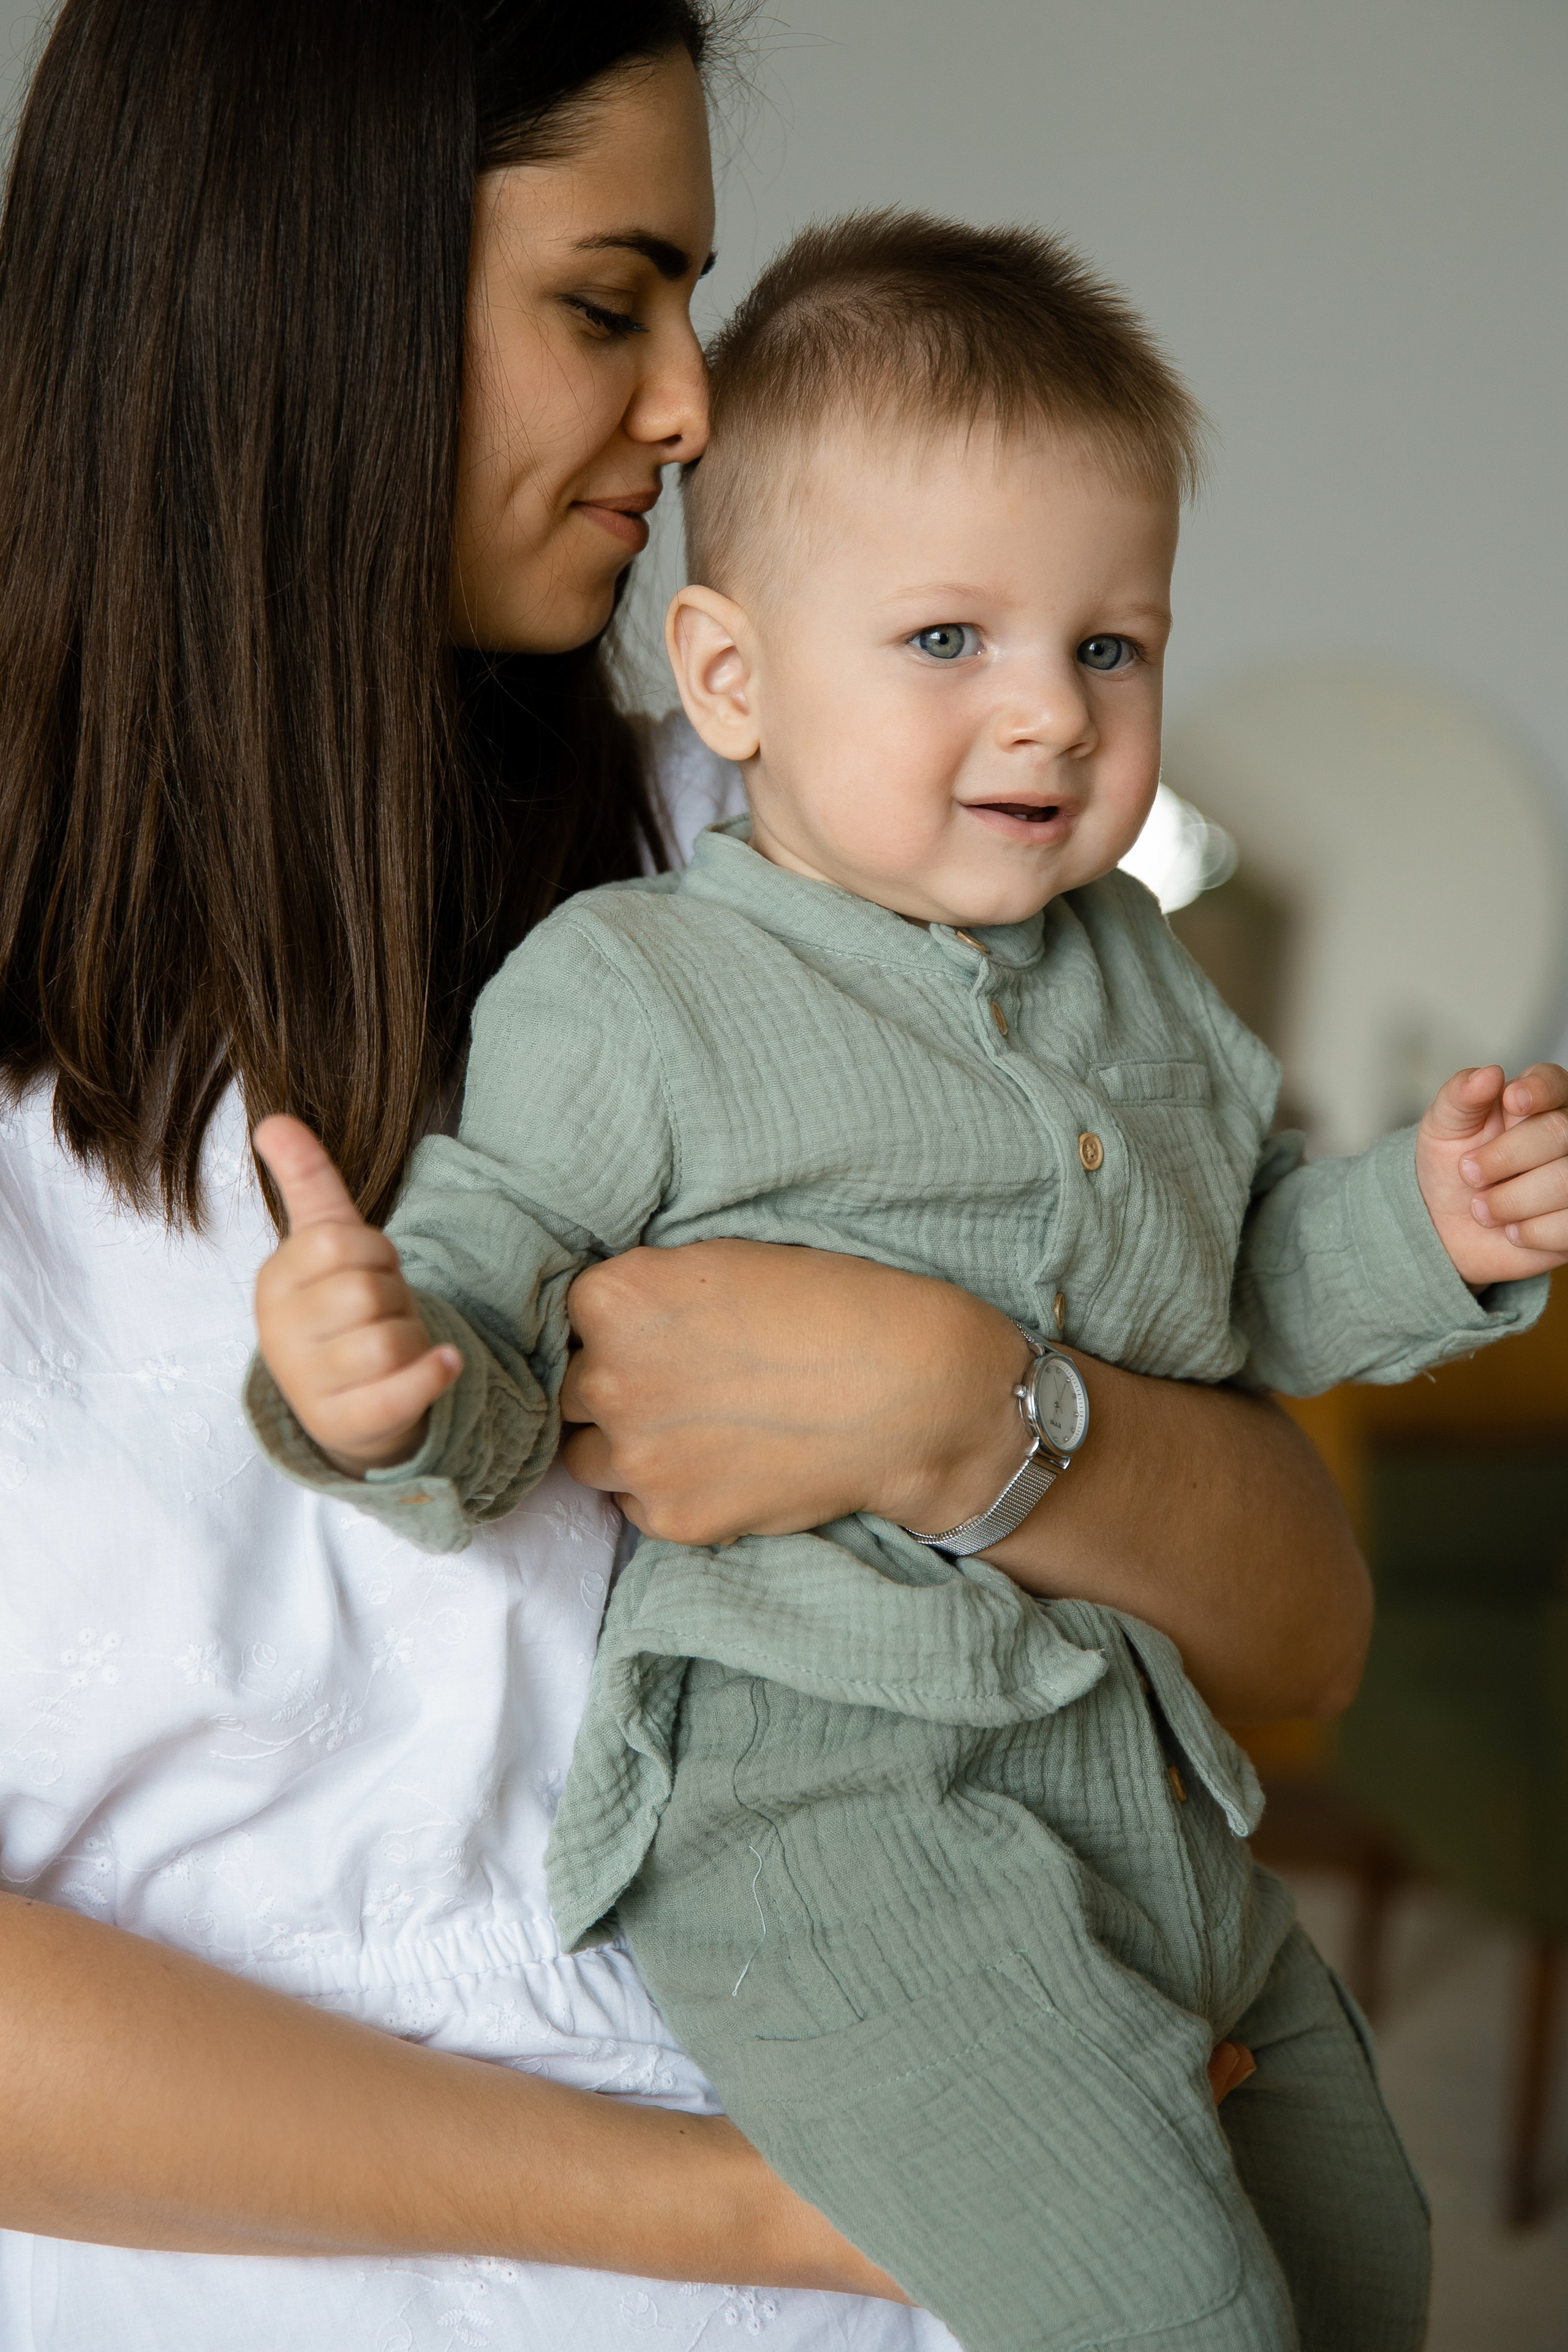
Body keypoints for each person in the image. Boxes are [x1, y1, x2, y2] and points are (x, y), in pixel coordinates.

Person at [0, 3, 1373, 2344]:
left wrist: (970, 1414)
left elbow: (1304, 1651)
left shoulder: (822, 856)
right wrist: (761, 2205)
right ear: (291, 291)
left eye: (693, 306)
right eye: (604, 299)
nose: (697, 401)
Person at [247, 213, 1566, 2352]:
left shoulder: (1137, 978)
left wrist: (1433, 1226)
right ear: (733, 674)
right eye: (950, 640)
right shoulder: (637, 987)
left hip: (1136, 1766)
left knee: (1364, 2241)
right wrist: (381, 1376)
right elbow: (486, 1297)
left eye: (1111, 647)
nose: (1051, 710)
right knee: (1177, 2309)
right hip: (837, 1811)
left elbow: (1240, 1284)